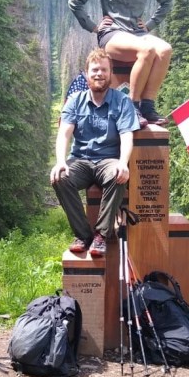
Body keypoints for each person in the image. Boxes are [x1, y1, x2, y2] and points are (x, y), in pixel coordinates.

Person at [68, 0, 173, 127]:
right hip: (112, 33)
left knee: (165, 50)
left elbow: (166, 2)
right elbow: (75, 1)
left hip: (138, 32)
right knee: (146, 50)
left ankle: (147, 106)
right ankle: (132, 107)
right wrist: (94, 27)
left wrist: (150, 24)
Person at [50, 48, 140, 257]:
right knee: (60, 178)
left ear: (110, 74)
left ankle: (101, 235)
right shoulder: (75, 100)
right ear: (87, 73)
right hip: (80, 160)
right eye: (95, 70)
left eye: (104, 70)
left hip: (109, 160)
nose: (99, 74)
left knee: (118, 175)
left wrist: (123, 162)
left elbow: (127, 135)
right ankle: (83, 235)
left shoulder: (122, 101)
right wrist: (60, 161)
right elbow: (64, 134)